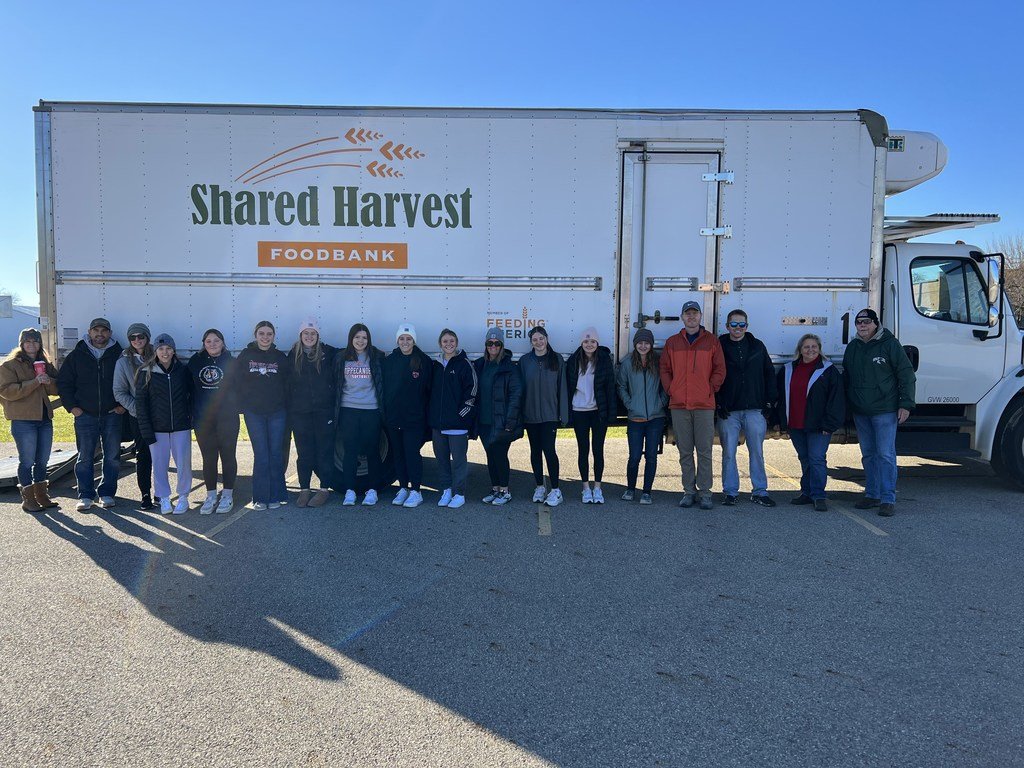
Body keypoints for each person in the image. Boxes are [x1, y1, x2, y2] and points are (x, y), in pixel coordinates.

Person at [842, 308, 916, 517]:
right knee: (868, 455)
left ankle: (887, 499)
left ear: (876, 323)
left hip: (885, 410)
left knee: (885, 454)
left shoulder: (890, 344)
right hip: (861, 411)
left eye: (866, 321)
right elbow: (847, 377)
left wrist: (905, 404)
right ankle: (872, 494)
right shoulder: (853, 347)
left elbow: (906, 374)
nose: (862, 325)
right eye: (859, 322)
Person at [659, 301, 725, 510]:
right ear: (682, 317)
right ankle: (689, 491)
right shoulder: (672, 342)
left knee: (704, 451)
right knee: (685, 451)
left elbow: (720, 369)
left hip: (704, 405)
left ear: (700, 316)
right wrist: (672, 389)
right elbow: (664, 369)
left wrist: (709, 389)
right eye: (687, 313)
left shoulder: (711, 341)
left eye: (695, 313)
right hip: (679, 405)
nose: (691, 317)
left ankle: (705, 493)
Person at [56, 317, 125, 512]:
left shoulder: (119, 355)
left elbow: (130, 381)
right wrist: (72, 407)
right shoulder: (77, 355)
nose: (99, 334)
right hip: (85, 414)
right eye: (96, 330)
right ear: (89, 332)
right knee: (85, 457)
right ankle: (85, 495)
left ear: (110, 333)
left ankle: (107, 493)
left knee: (112, 457)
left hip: (112, 414)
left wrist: (122, 406)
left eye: (104, 331)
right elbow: (64, 383)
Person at [776, 333, 845, 511]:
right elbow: (780, 397)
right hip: (796, 424)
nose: (810, 350)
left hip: (819, 426)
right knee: (805, 458)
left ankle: (819, 495)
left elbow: (836, 400)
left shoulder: (828, 370)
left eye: (814, 347)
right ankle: (806, 492)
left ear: (819, 349)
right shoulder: (788, 369)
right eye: (806, 347)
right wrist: (781, 421)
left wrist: (829, 424)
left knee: (817, 459)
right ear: (800, 349)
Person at [716, 309, 778, 507]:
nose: (738, 328)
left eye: (741, 324)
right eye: (734, 324)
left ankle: (760, 491)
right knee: (728, 452)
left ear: (747, 326)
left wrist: (770, 402)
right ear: (727, 326)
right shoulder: (719, 346)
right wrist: (718, 402)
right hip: (729, 410)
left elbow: (769, 373)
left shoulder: (757, 346)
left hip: (754, 409)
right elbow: (712, 374)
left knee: (757, 452)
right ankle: (730, 492)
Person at [0, 328, 61, 512]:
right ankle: (28, 499)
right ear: (21, 344)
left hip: (44, 418)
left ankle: (42, 496)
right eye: (28, 341)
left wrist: (49, 382)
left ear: (40, 344)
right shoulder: (9, 366)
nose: (32, 345)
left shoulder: (45, 364)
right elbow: (6, 391)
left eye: (35, 341)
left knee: (42, 460)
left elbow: (58, 387)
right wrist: (35, 382)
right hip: (23, 420)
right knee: (27, 461)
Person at [135, 334, 194, 514]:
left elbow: (192, 396)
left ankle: (183, 497)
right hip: (157, 429)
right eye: (161, 349)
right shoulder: (146, 372)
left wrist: (189, 418)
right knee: (159, 465)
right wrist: (147, 431)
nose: (165, 352)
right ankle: (164, 498)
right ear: (155, 351)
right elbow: (141, 405)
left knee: (183, 464)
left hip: (180, 427)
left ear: (173, 350)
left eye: (168, 348)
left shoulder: (182, 371)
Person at [235, 321, 290, 511]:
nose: (265, 337)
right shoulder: (246, 355)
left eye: (269, 334)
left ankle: (276, 496)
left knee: (275, 454)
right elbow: (237, 381)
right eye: (262, 333)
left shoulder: (280, 357)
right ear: (255, 335)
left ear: (274, 336)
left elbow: (288, 383)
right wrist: (244, 404)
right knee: (261, 454)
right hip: (254, 413)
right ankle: (260, 497)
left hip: (277, 413)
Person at [188, 328, 240, 514]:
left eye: (216, 341)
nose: (212, 344)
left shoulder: (231, 362)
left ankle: (227, 495)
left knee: (228, 456)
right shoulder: (195, 362)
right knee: (209, 458)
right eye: (208, 341)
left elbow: (240, 388)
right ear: (204, 344)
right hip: (203, 420)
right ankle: (211, 495)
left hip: (227, 418)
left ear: (223, 343)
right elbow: (189, 389)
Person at [287, 319, 337, 508]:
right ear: (300, 336)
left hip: (323, 411)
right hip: (300, 412)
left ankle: (324, 489)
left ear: (318, 336)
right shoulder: (293, 355)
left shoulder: (328, 353)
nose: (309, 336)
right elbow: (287, 384)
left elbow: (350, 352)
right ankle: (305, 489)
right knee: (304, 453)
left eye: (313, 333)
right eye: (306, 333)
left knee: (324, 451)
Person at [382, 323, 432, 508]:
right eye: (402, 339)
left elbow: (428, 391)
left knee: (412, 453)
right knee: (398, 454)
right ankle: (403, 487)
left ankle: (416, 491)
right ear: (397, 341)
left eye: (409, 339)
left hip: (414, 418)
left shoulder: (423, 361)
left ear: (414, 341)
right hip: (394, 417)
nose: (405, 342)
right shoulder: (390, 361)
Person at [616, 328, 668, 505]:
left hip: (655, 418)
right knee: (634, 457)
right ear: (635, 344)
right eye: (640, 343)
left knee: (651, 456)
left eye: (647, 343)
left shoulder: (658, 362)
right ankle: (630, 489)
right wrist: (630, 404)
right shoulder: (628, 363)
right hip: (635, 419)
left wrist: (661, 402)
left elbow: (666, 384)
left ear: (651, 345)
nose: (643, 346)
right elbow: (621, 386)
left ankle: (646, 492)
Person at [336, 323, 385, 507]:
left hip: (371, 410)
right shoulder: (341, 358)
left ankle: (372, 491)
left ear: (368, 340)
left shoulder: (376, 357)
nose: (360, 341)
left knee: (372, 450)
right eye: (357, 337)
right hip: (348, 409)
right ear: (351, 339)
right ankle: (350, 491)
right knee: (350, 451)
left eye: (364, 337)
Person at [566, 326, 617, 503]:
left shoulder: (603, 360)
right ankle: (585, 488)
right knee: (583, 450)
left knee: (598, 450)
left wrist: (611, 414)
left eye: (593, 341)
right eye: (586, 341)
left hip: (598, 412)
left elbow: (610, 388)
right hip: (579, 411)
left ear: (597, 343)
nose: (589, 344)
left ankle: (598, 488)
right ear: (582, 343)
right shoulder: (573, 361)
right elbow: (568, 388)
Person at [428, 328, 478, 509]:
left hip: (457, 425)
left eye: (451, 341)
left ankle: (459, 493)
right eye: (445, 341)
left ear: (456, 343)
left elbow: (472, 391)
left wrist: (461, 415)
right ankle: (446, 490)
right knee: (441, 460)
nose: (448, 344)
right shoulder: (436, 365)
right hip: (438, 425)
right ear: (440, 344)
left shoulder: (464, 364)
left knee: (458, 462)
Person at [519, 325, 568, 506]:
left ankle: (555, 489)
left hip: (550, 415)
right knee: (535, 451)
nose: (538, 342)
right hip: (530, 415)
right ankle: (539, 486)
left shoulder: (557, 359)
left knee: (549, 450)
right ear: (531, 342)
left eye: (541, 338)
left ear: (547, 339)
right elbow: (521, 389)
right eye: (535, 340)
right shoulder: (525, 361)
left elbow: (562, 387)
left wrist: (563, 414)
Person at [473, 327, 523, 505]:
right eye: (489, 343)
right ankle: (495, 489)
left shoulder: (509, 367)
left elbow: (516, 396)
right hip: (484, 421)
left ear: (502, 345)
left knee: (500, 456)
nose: (493, 346)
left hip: (501, 422)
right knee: (490, 456)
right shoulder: (480, 365)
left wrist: (510, 422)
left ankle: (505, 491)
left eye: (497, 343)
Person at [113, 322, 155, 510]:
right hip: (138, 417)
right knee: (143, 455)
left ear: (147, 337)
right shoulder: (123, 362)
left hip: (160, 416)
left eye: (141, 336)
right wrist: (138, 410)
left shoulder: (158, 356)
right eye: (133, 337)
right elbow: (120, 392)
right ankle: (145, 494)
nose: (137, 340)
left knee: (161, 456)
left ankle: (161, 493)